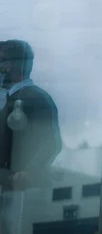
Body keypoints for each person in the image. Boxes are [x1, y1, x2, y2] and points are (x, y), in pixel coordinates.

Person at [0, 40, 62, 233]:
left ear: (8, 66)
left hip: (23, 197)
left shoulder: (36, 97)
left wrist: (27, 173)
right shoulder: (7, 100)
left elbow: (51, 142)